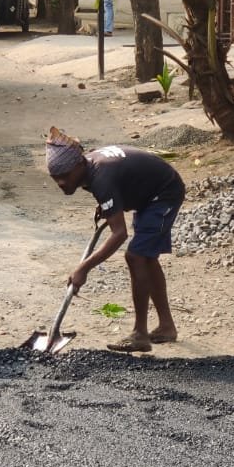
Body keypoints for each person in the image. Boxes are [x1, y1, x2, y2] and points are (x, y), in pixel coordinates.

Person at [47, 127, 185, 353]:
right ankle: (166, 327)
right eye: (55, 178)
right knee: (146, 258)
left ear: (79, 166)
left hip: (164, 193)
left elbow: (119, 234)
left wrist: (83, 268)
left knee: (136, 256)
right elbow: (116, 186)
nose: (60, 183)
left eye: (64, 176)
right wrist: (108, 205)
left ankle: (140, 334)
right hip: (148, 194)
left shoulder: (101, 176)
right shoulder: (88, 168)